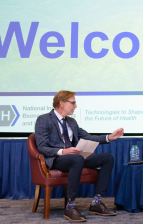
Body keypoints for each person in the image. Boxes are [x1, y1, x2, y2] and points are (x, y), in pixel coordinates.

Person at [35, 90, 124, 222]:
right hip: (57, 159)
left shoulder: (71, 122)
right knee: (77, 158)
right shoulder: (44, 119)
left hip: (75, 158)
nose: (75, 106)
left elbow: (88, 137)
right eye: (73, 103)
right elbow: (42, 147)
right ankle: (70, 207)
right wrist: (63, 151)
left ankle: (96, 203)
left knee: (107, 158)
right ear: (61, 103)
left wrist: (109, 137)